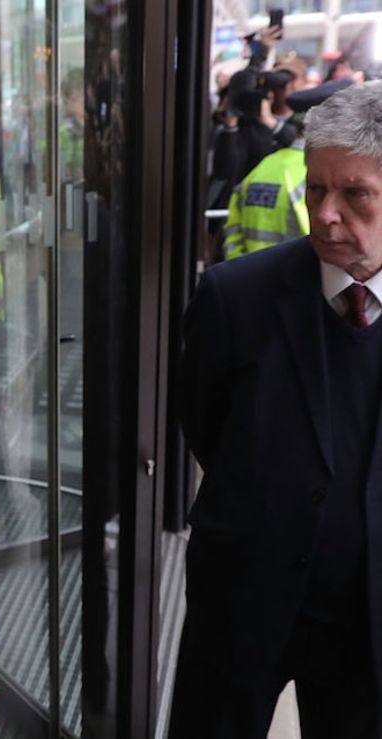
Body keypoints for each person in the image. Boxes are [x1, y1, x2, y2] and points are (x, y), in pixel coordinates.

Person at [171, 81, 382, 737]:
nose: (325, 213)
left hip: (368, 625)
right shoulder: (236, 298)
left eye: (355, 194)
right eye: (317, 188)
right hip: (242, 598)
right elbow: (204, 422)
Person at [222, 78, 353, 260]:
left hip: (250, 279)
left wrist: (245, 274)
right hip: (301, 283)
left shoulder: (263, 167)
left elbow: (232, 233)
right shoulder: (323, 177)